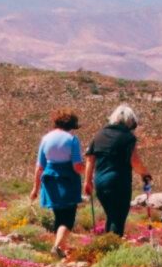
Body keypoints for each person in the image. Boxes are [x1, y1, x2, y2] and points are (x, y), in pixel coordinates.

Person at [84, 104, 151, 237]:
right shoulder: (128, 138)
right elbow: (135, 161)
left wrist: (87, 181)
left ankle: (107, 244)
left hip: (100, 183)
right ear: (131, 122)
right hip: (118, 183)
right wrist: (145, 174)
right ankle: (112, 248)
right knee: (118, 217)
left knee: (111, 215)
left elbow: (90, 159)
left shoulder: (99, 135)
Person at [30, 109, 85, 258]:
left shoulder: (46, 139)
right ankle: (56, 246)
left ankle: (61, 249)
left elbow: (39, 166)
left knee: (59, 216)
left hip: (49, 180)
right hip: (67, 180)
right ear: (72, 124)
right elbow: (76, 166)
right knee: (68, 218)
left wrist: (35, 188)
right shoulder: (72, 140)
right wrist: (88, 171)